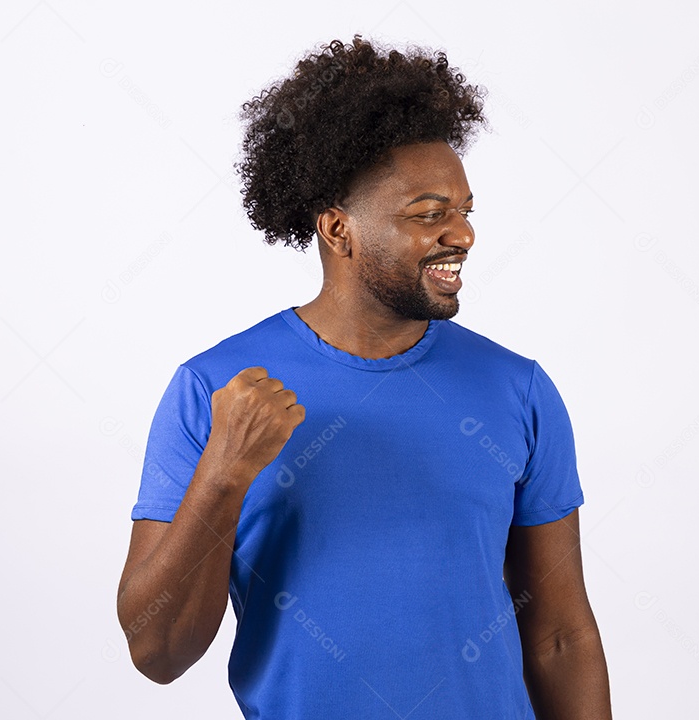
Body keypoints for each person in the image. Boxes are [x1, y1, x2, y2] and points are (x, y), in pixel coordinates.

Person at [117, 34, 612, 719]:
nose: (463, 234)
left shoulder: (518, 390)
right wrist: (225, 471)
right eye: (429, 214)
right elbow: (158, 652)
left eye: (464, 211)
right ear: (337, 229)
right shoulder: (215, 389)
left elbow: (560, 636)